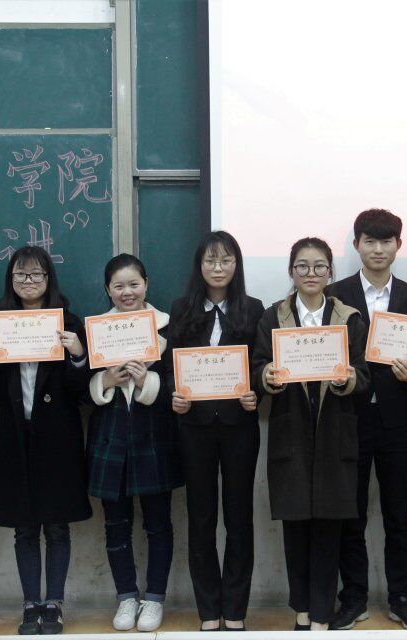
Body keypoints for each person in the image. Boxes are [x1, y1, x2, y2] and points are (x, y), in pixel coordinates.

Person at [251, 236, 371, 631]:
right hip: (291, 434)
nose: (311, 273)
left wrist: (349, 379)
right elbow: (256, 367)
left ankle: (320, 613)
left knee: (329, 530)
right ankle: (302, 609)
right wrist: (266, 376)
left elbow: (365, 375)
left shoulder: (349, 318)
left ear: (330, 272)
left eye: (319, 266)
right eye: (302, 266)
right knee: (296, 527)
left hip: (336, 435)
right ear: (291, 271)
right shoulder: (273, 317)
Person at [0, 247, 93, 635]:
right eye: (21, 275)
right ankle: (30, 603)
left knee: (56, 526)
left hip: (57, 438)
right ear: (11, 280)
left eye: (37, 275)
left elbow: (81, 391)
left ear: (48, 279)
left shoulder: (68, 322)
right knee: (24, 528)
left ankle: (54, 603)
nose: (29, 282)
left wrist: (78, 355)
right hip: (13, 437)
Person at [326, 209, 407, 630]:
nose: (378, 249)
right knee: (350, 515)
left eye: (387, 241)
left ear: (398, 245)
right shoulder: (335, 293)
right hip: (347, 418)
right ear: (357, 245)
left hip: (396, 421)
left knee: (399, 516)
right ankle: (353, 598)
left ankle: (402, 597)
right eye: (370, 241)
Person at [166, 231, 264, 632]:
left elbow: (260, 363)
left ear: (236, 265)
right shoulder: (182, 308)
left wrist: (256, 394)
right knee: (201, 518)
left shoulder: (254, 308)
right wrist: (175, 396)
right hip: (195, 427)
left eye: (225, 260)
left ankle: (235, 609)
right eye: (210, 261)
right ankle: (208, 609)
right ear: (199, 266)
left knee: (239, 518)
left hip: (240, 426)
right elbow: (171, 366)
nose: (218, 268)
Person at [87, 254, 183, 633]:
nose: (127, 292)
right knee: (115, 524)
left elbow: (179, 383)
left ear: (146, 284)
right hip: (111, 434)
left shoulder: (168, 327)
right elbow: (79, 387)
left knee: (159, 523)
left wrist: (147, 381)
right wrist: (105, 381)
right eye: (118, 286)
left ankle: (154, 598)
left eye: (134, 284)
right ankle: (126, 597)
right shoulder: (97, 329)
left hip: (154, 434)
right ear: (108, 289)